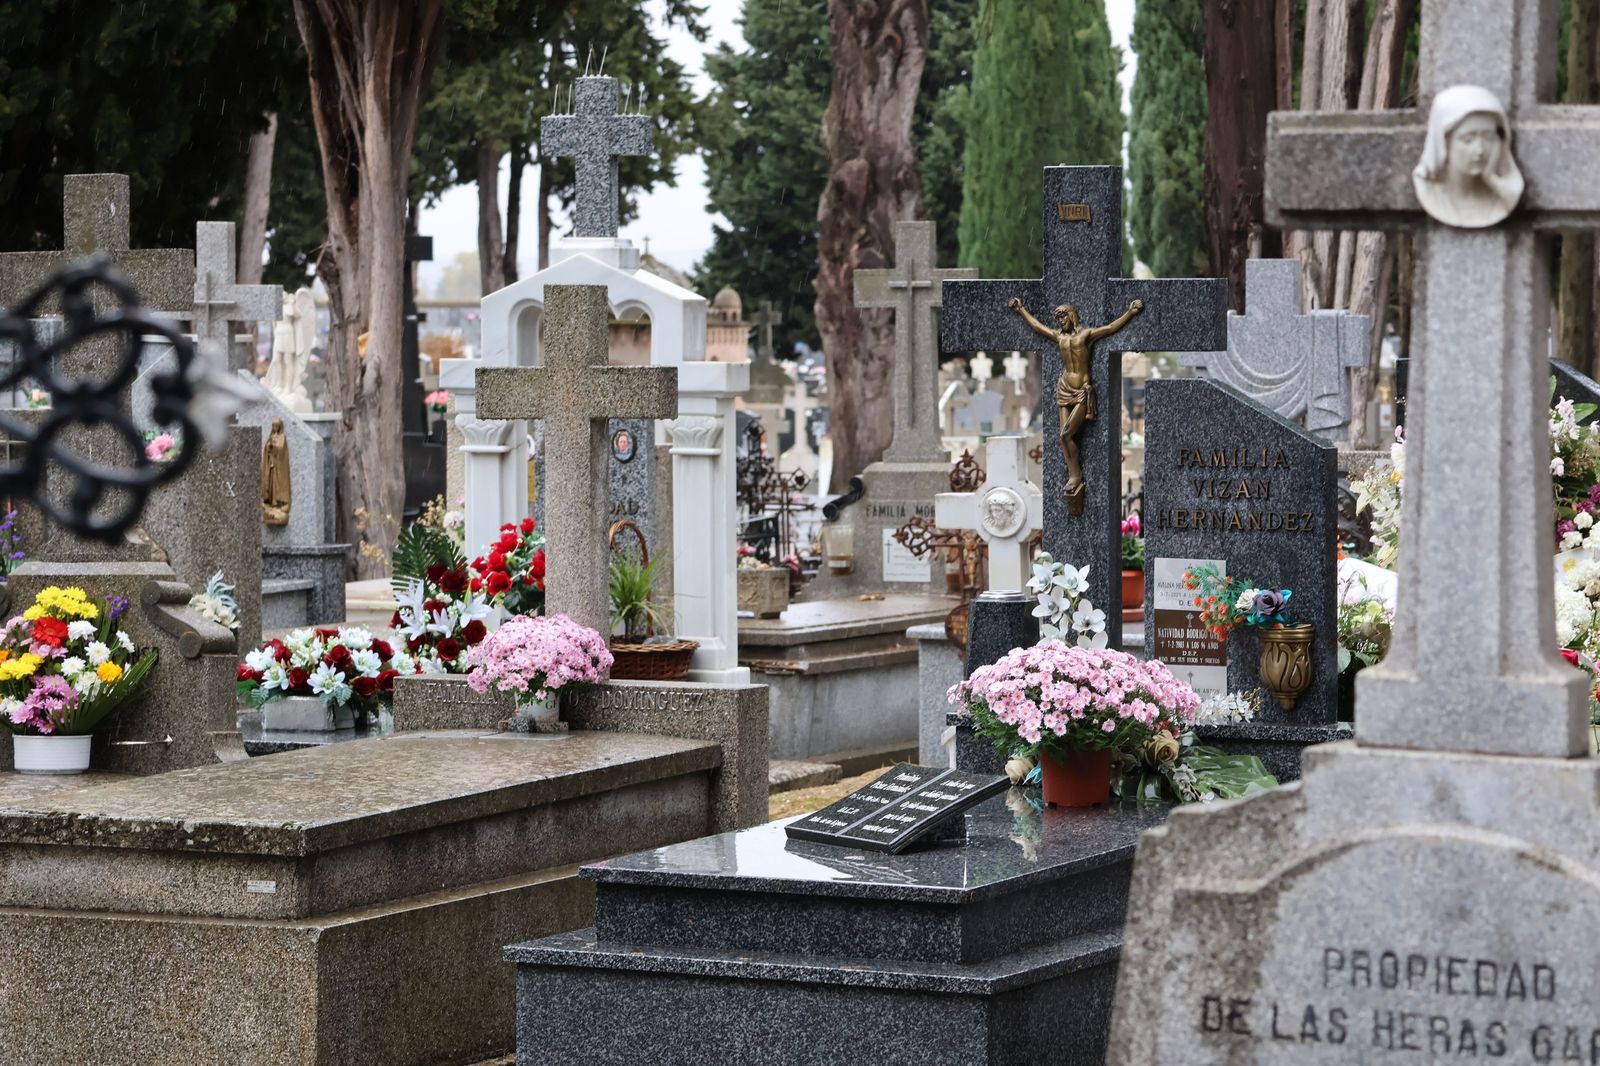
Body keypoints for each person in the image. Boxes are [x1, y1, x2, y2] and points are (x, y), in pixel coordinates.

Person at [1008, 297, 1143, 514]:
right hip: (1064, 389)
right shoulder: (1058, 336)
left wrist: (1130, 312)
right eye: (1058, 317)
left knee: (1065, 434)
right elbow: (1036, 327)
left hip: (1082, 391)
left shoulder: (1085, 335)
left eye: (1063, 316)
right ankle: (1074, 475)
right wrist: (1021, 309)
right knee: (1063, 437)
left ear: (1072, 315)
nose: (1060, 321)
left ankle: (1076, 475)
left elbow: (1109, 328)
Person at [1412, 85, 1524, 229]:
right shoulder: (1431, 193)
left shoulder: (1502, 198)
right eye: (1468, 139)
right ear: (1444, 141)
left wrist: (1492, 179)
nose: (1480, 150)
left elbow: (1510, 198)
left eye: (1488, 137)